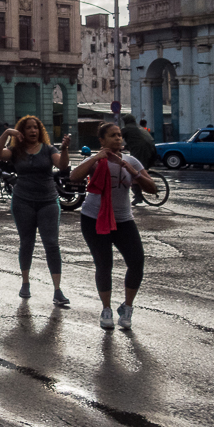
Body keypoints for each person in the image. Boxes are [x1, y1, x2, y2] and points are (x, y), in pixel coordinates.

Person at [70, 121, 156, 329]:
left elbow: (152, 188)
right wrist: (96, 158)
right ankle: (106, 309)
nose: (118, 138)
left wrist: (130, 169)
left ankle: (127, 307)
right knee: (104, 265)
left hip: (123, 220)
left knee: (136, 263)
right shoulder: (95, 160)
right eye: (112, 135)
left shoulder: (131, 160)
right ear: (102, 140)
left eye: (119, 135)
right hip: (94, 219)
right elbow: (74, 178)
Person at [0, 115, 72, 306]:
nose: (33, 131)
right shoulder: (16, 150)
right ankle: (25, 283)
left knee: (52, 244)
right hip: (23, 202)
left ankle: (57, 290)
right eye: (28, 128)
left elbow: (62, 165)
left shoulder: (48, 149)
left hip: (48, 202)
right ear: (22, 131)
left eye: (36, 127)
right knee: (26, 242)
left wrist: (64, 149)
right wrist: (7, 133)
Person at [120, 114, 158, 206]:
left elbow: (116, 137)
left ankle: (138, 197)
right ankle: (141, 190)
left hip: (141, 151)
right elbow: (136, 140)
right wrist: (125, 147)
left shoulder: (127, 129)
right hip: (152, 150)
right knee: (142, 170)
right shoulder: (139, 128)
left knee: (133, 172)